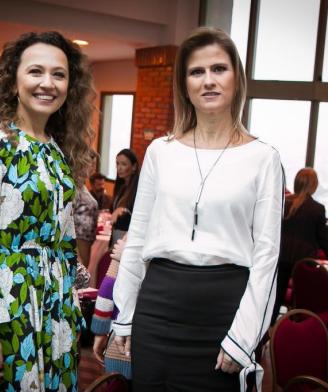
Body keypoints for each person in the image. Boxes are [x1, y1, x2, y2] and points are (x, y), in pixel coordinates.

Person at [113, 27, 283, 392]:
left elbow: (267, 257)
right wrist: (124, 315)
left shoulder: (263, 158)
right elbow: (138, 236)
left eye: (219, 69)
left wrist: (243, 337)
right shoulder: (161, 150)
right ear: (184, 84)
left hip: (223, 312)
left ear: (237, 78)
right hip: (157, 308)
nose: (208, 80)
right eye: (196, 72)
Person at [0, 31, 95, 391]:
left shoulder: (58, 151)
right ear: (13, 81)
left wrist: (71, 302)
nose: (48, 83)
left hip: (55, 314)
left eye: (58, 74)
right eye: (35, 72)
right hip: (6, 311)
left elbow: (63, 240)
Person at [272, 167, 328, 321]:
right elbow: (323, 240)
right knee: (304, 301)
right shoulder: (317, 209)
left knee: (274, 302)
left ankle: (269, 334)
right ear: (313, 186)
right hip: (303, 265)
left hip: (280, 258)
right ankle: (299, 330)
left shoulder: (283, 204)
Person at [91, 236, 131, 382]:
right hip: (164, 344)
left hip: (120, 345)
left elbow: (108, 288)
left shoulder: (133, 234)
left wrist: (100, 331)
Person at [73, 150, 99, 267]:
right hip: (79, 245)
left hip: (84, 242)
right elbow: (79, 232)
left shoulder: (80, 186)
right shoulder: (75, 188)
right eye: (90, 163)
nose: (92, 167)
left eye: (94, 163)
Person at [110, 149, 139, 246]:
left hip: (128, 238)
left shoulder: (139, 188)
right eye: (117, 164)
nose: (119, 168)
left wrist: (123, 209)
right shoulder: (121, 187)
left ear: (134, 167)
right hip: (116, 236)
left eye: (123, 164)